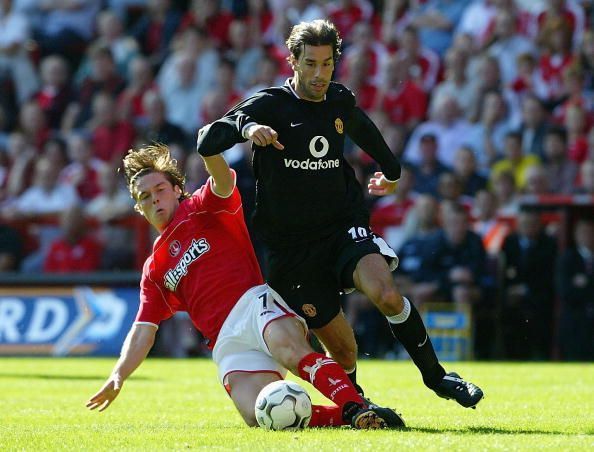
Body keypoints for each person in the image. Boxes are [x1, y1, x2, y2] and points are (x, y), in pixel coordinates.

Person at [197, 19, 483, 408]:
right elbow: (206, 140)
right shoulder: (269, 104)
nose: (320, 74)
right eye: (311, 64)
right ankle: (358, 409)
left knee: (385, 292)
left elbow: (366, 132)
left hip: (341, 225)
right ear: (293, 61)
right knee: (345, 353)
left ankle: (438, 377)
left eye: (327, 64)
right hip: (292, 250)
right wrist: (247, 129)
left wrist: (393, 173)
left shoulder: (338, 99)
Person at [87, 144, 404, 430]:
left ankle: (355, 405)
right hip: (226, 341)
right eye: (145, 196)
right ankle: (354, 418)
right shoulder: (154, 268)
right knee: (258, 415)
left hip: (255, 305)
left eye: (159, 189)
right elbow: (144, 329)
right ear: (138, 208)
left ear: (177, 189)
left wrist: (210, 149)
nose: (154, 198)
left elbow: (224, 182)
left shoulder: (200, 207)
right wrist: (119, 374)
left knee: (291, 351)